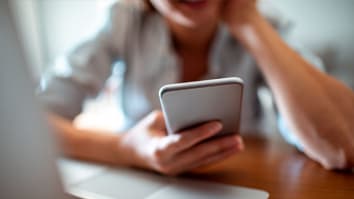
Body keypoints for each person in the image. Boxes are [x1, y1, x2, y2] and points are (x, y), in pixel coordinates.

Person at [39, 0, 354, 175]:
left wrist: (248, 22)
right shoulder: (121, 18)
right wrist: (127, 149)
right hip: (140, 182)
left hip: (241, 180)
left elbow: (342, 146)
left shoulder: (263, 24)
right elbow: (30, 123)